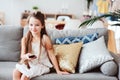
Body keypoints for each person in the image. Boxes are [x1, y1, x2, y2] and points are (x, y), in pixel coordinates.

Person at [13, 11, 69, 80]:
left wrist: (58, 70)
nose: (33, 28)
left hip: (42, 65)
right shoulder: (25, 39)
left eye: (37, 25)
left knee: (24, 76)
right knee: (15, 72)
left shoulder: (44, 39)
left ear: (42, 26)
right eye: (31, 25)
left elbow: (51, 55)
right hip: (30, 64)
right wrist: (26, 56)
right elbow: (22, 56)